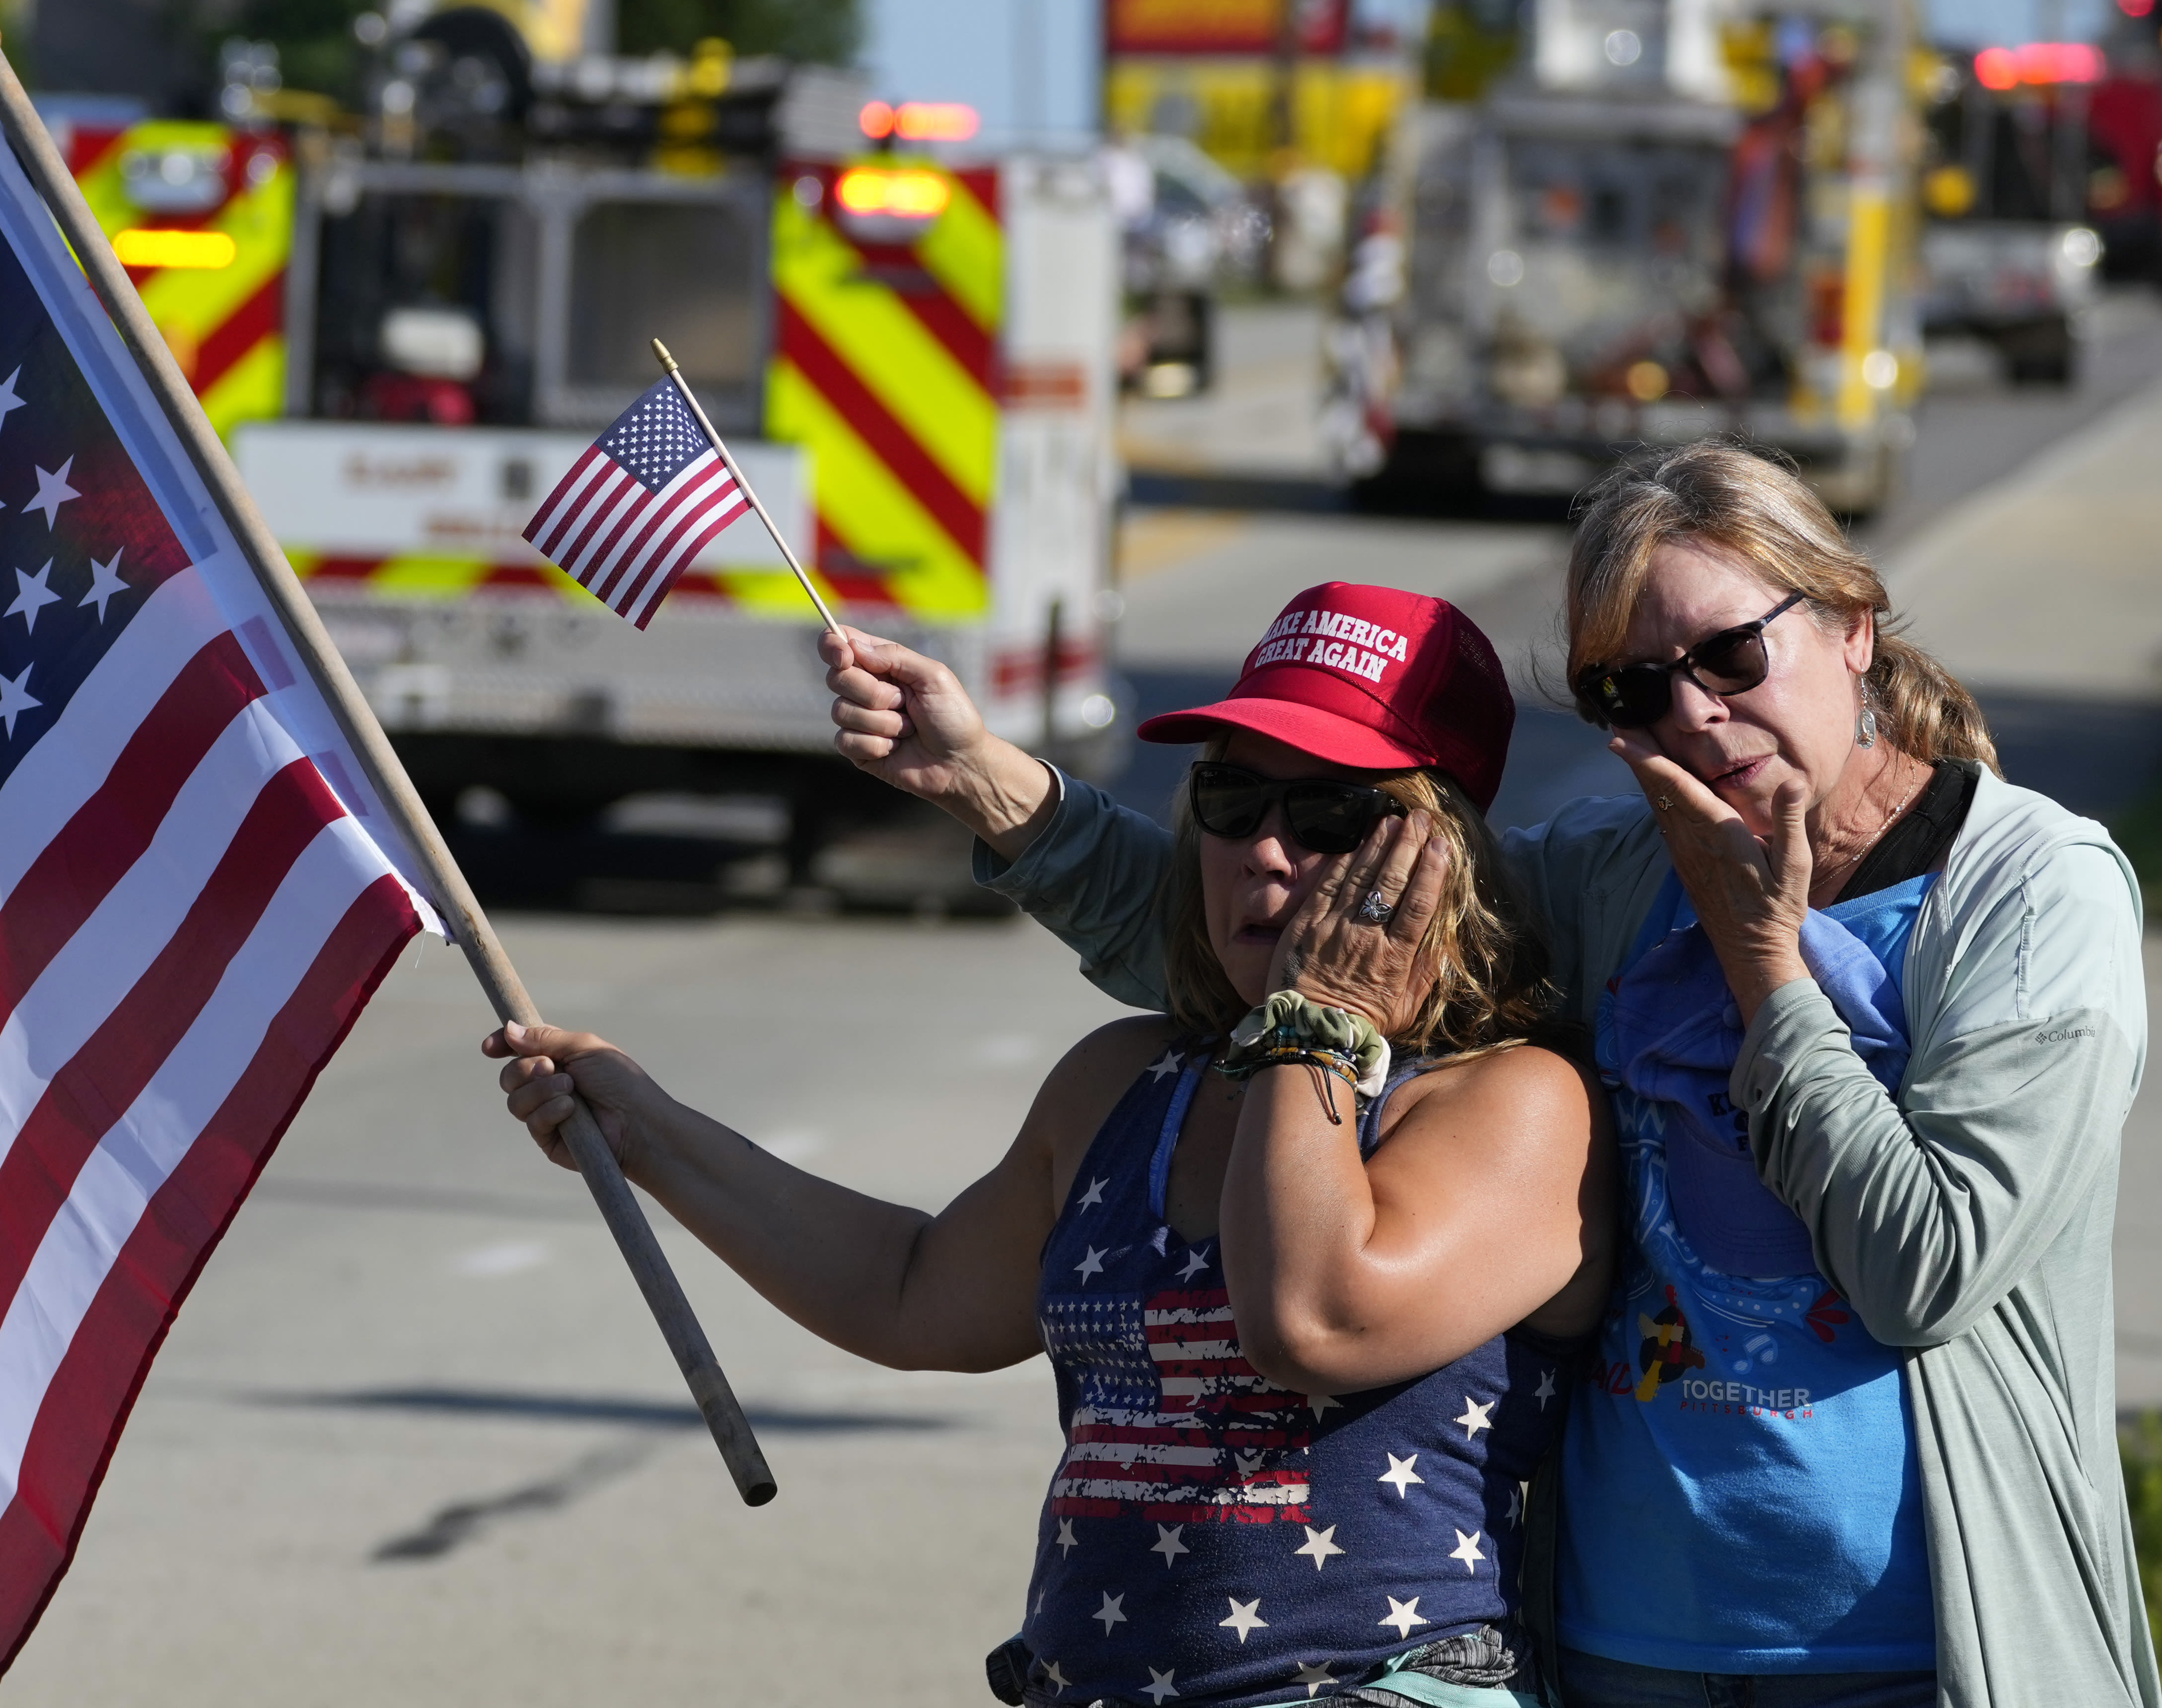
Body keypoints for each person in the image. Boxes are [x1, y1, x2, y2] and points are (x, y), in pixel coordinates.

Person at [819, 442, 2157, 1708]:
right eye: (1633, 690)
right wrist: (991, 784)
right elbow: (1288, 917)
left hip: (1910, 1638)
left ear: (1851, 624)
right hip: (1620, 1635)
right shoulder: (1620, 872)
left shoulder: (2027, 893)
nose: (1695, 712)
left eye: (1732, 653)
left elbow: (1922, 1266)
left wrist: (1765, 969)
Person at [497, 585, 1614, 1708]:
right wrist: (644, 1128)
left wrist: (1315, 1021)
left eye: (1328, 815)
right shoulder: (1121, 1079)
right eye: (1230, 797)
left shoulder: (1513, 1101)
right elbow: (910, 1293)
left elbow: (1312, 1320)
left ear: (1444, 854)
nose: (1266, 851)